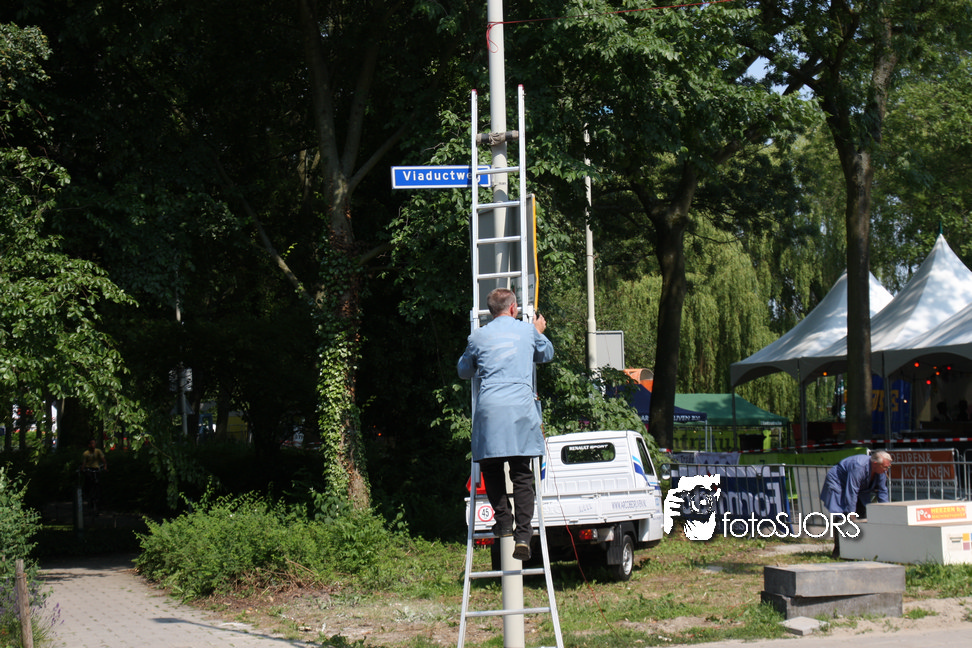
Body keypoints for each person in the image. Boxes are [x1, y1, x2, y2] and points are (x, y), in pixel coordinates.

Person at [457, 288, 553, 561]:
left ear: (490, 311)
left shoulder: (478, 337)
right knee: (522, 474)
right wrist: (538, 331)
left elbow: (464, 371)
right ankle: (523, 535)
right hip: (520, 411)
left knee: (491, 468)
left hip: (490, 412)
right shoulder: (527, 331)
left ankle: (503, 522)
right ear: (512, 308)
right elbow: (546, 354)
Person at [819, 451, 892, 558]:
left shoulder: (881, 471)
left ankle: (860, 550)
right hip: (839, 483)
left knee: (862, 512)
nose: (886, 470)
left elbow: (882, 490)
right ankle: (838, 550)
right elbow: (851, 490)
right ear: (875, 464)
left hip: (860, 488)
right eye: (885, 467)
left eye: (888, 467)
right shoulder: (859, 466)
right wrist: (851, 513)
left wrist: (886, 511)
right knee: (842, 514)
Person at [81, 438, 108, 512]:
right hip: (89, 469)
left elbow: (103, 460)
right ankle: (87, 495)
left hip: (96, 469)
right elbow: (84, 463)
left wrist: (105, 467)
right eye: (92, 443)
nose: (93, 445)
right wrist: (82, 469)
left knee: (98, 483)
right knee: (88, 481)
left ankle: (100, 500)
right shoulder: (86, 453)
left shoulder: (98, 451)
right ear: (89, 445)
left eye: (94, 443)